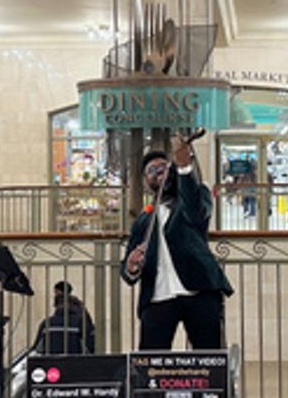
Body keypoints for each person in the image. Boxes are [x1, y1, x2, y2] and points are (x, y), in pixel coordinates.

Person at [122, 135, 234, 349]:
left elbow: (196, 213)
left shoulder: (197, 195)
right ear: (146, 183)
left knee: (210, 362)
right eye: (151, 171)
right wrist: (131, 266)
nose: (159, 171)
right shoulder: (142, 222)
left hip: (199, 292)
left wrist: (184, 167)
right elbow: (127, 271)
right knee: (151, 365)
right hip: (157, 297)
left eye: (164, 166)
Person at [32, 281, 97, 356]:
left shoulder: (47, 323)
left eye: (56, 292)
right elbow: (90, 340)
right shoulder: (81, 311)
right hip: (76, 361)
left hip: (52, 362)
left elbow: (37, 349)